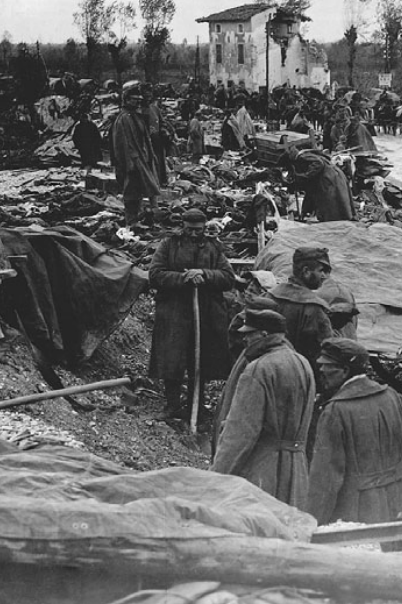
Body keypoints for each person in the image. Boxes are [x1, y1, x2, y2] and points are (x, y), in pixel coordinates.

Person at [306, 337, 402, 526]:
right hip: (397, 504)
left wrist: (313, 522)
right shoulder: (394, 398)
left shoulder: (335, 411)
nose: (321, 371)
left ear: (344, 371)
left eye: (327, 366)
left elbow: (325, 479)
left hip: (353, 513)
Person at [212, 304, 316, 507]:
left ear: (263, 334)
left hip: (263, 473)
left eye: (249, 334)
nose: (245, 339)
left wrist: (215, 478)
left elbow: (240, 434)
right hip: (296, 471)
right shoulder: (302, 363)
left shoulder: (258, 369)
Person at [148, 208, 236, 420]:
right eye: (190, 229)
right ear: (182, 227)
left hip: (205, 312)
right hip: (174, 310)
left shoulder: (214, 247)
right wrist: (183, 278)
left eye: (198, 230)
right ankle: (172, 405)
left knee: (201, 359)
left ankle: (196, 406)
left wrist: (205, 274)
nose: (194, 234)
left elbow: (227, 277)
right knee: (173, 357)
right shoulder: (169, 245)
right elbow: (155, 274)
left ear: (205, 228)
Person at [266, 247, 338, 375]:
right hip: (301, 376)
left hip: (269, 373)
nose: (325, 276)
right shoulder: (314, 308)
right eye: (321, 270)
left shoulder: (270, 296)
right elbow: (323, 352)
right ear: (306, 271)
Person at [110, 87, 161, 225]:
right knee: (131, 192)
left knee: (140, 191)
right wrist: (130, 163)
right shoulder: (123, 119)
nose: (138, 103)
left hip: (142, 160)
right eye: (134, 100)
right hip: (132, 162)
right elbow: (121, 145)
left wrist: (150, 156)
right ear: (126, 100)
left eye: (139, 100)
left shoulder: (135, 116)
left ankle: (138, 218)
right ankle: (131, 221)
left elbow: (144, 139)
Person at [289, 147, 355, 222]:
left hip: (329, 179)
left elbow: (319, 163)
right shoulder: (307, 155)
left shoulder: (302, 157)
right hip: (333, 176)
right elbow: (310, 193)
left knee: (333, 203)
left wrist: (306, 175)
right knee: (337, 202)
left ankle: (336, 223)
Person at [72, 106, 103, 171]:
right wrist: (78, 145)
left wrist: (98, 143)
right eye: (83, 118)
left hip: (91, 145)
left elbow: (97, 135)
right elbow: (75, 137)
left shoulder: (91, 125)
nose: (84, 120)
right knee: (85, 158)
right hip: (83, 145)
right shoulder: (79, 127)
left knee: (92, 157)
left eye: (85, 118)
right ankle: (86, 167)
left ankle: (92, 166)